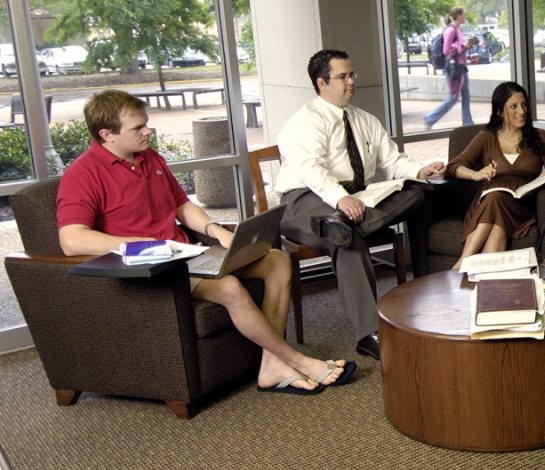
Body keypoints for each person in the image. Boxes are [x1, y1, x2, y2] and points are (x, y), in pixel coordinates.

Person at [56, 90, 353, 395]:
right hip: (152, 272)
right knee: (229, 287)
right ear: (107, 134)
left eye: (146, 124)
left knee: (275, 260)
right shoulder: (83, 173)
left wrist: (215, 230)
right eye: (137, 128)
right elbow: (72, 239)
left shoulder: (149, 157)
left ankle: (271, 366)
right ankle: (295, 360)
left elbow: (181, 205)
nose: (148, 131)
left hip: (186, 257)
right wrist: (137, 243)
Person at [275, 50, 445, 360]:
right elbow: (311, 170)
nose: (352, 81)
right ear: (322, 82)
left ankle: (342, 224)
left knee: (418, 191)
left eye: (352, 75)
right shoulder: (304, 122)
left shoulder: (365, 119)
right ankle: (369, 333)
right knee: (347, 239)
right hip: (306, 199)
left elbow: (392, 160)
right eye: (343, 76)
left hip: (359, 201)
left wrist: (420, 170)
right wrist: (340, 199)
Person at [447, 81, 545, 269]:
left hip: (521, 205)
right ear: (499, 111)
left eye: (523, 104)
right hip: (487, 204)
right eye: (513, 106)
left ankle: (461, 265)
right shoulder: (486, 137)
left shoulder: (540, 137)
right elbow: (454, 166)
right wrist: (475, 174)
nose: (521, 111)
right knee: (497, 222)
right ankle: (484, 280)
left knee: (495, 201)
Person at [424, 6, 472, 129]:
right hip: (453, 68)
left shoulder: (458, 30)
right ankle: (430, 118)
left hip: (461, 66)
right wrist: (461, 46)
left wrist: (466, 47)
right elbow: (446, 50)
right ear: (458, 16)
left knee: (466, 95)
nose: (465, 16)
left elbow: (458, 47)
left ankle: (468, 124)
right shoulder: (450, 30)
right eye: (464, 14)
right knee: (453, 97)